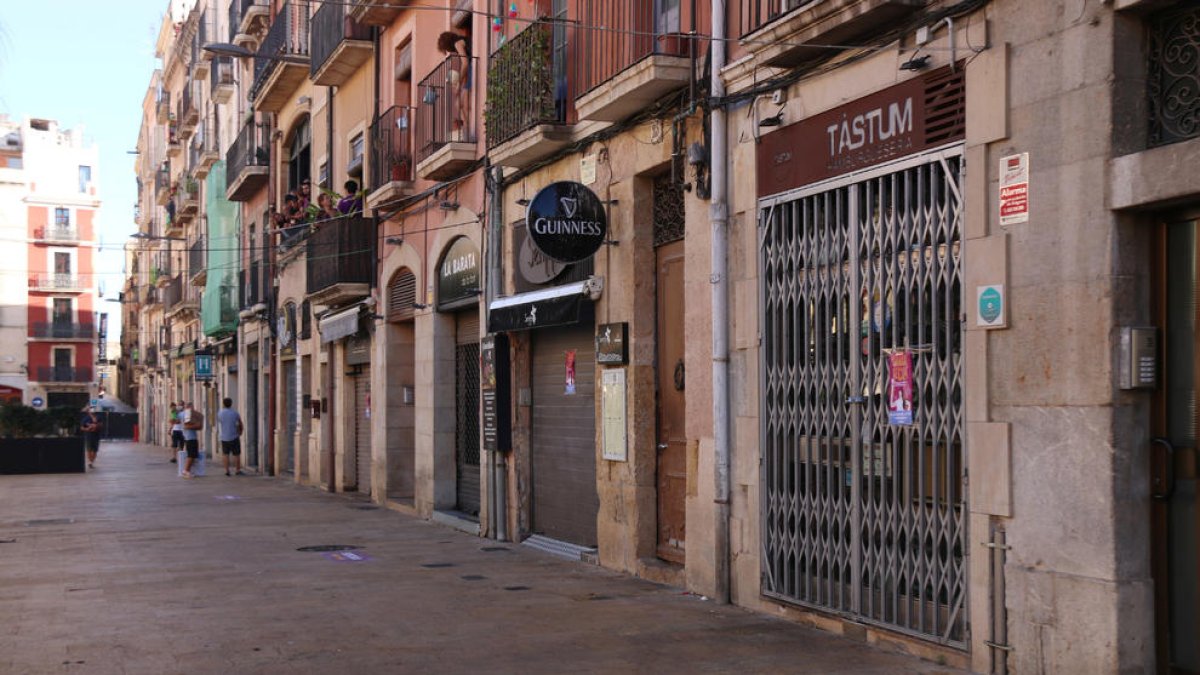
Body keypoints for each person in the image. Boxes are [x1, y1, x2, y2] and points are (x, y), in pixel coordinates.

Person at [437, 31, 471, 132]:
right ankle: (467, 128)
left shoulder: (457, 43)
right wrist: (459, 86)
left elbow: (465, 63)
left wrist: (459, 83)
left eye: (446, 49)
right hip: (470, 72)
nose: (448, 50)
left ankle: (467, 130)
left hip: (472, 70)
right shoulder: (462, 41)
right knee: (459, 104)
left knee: (461, 104)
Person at [216, 397, 245, 477]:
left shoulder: (220, 413)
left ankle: (227, 470)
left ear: (223, 404)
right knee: (237, 454)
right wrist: (240, 432)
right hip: (234, 436)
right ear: (231, 403)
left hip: (224, 437)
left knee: (225, 454)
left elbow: (219, 423)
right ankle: (237, 470)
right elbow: (240, 423)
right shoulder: (235, 413)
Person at [180, 401, 204, 479]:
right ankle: (186, 471)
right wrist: (197, 425)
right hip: (190, 438)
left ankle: (188, 470)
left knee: (192, 455)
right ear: (190, 407)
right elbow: (186, 426)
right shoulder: (187, 414)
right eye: (192, 407)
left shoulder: (183, 414)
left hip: (189, 437)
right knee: (191, 455)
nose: (193, 409)